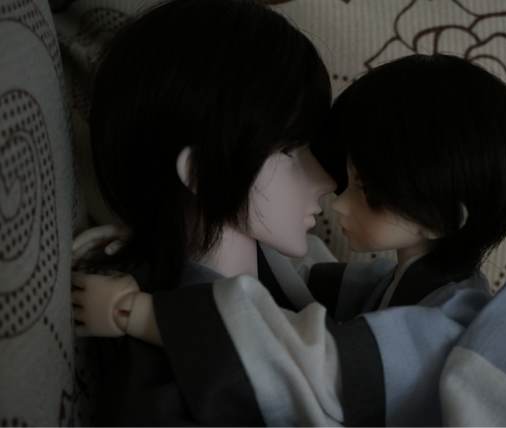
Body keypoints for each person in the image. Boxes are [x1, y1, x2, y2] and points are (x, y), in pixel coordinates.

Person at [74, 53, 506, 425]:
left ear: (441, 218)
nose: (336, 201)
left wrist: (136, 313)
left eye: (367, 193)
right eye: (348, 178)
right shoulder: (411, 286)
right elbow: (306, 287)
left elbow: (307, 360)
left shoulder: (446, 323)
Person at [75, 0, 338, 425]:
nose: (325, 180)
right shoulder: (173, 377)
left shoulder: (300, 274)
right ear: (202, 172)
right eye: (290, 151)